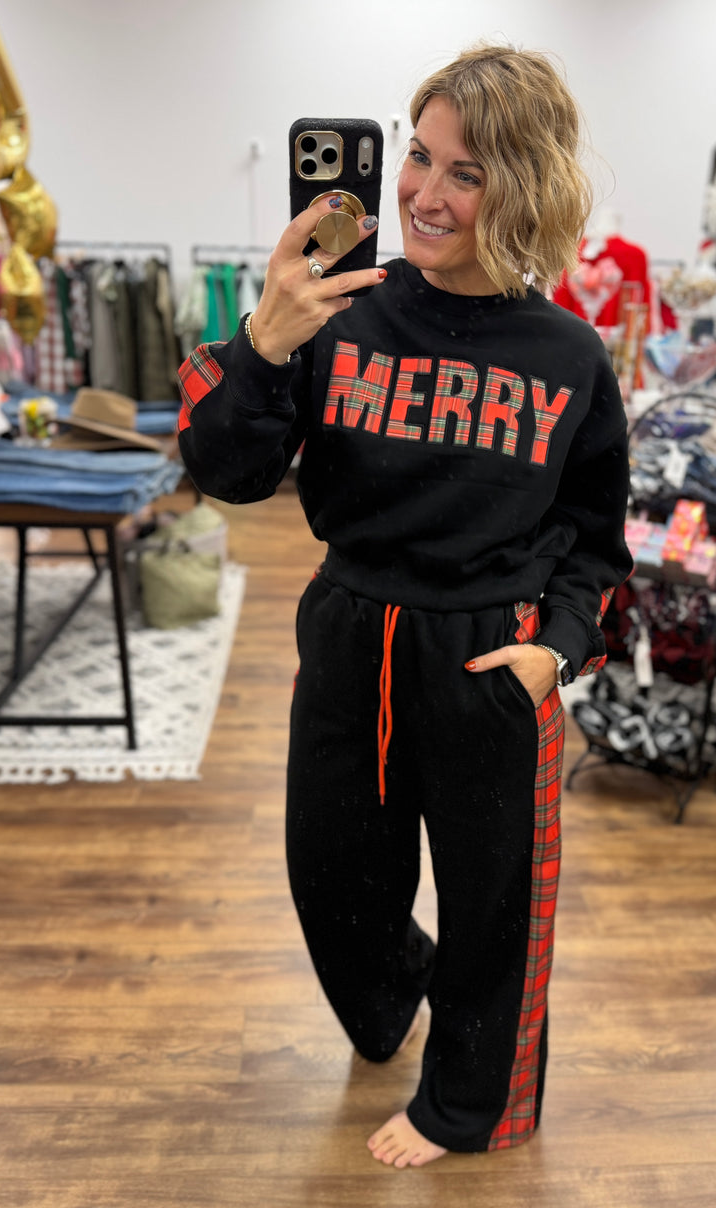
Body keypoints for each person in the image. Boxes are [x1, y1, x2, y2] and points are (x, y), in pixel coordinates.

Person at [176, 42, 633, 1169]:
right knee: (331, 877)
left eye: (465, 173)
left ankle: (466, 1105)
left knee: (494, 906)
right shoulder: (337, 310)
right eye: (418, 156)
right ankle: (391, 1005)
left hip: (491, 656)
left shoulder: (570, 355)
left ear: (522, 188)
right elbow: (225, 473)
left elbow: (595, 542)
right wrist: (265, 344)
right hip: (350, 632)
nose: (424, 193)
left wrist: (556, 651)